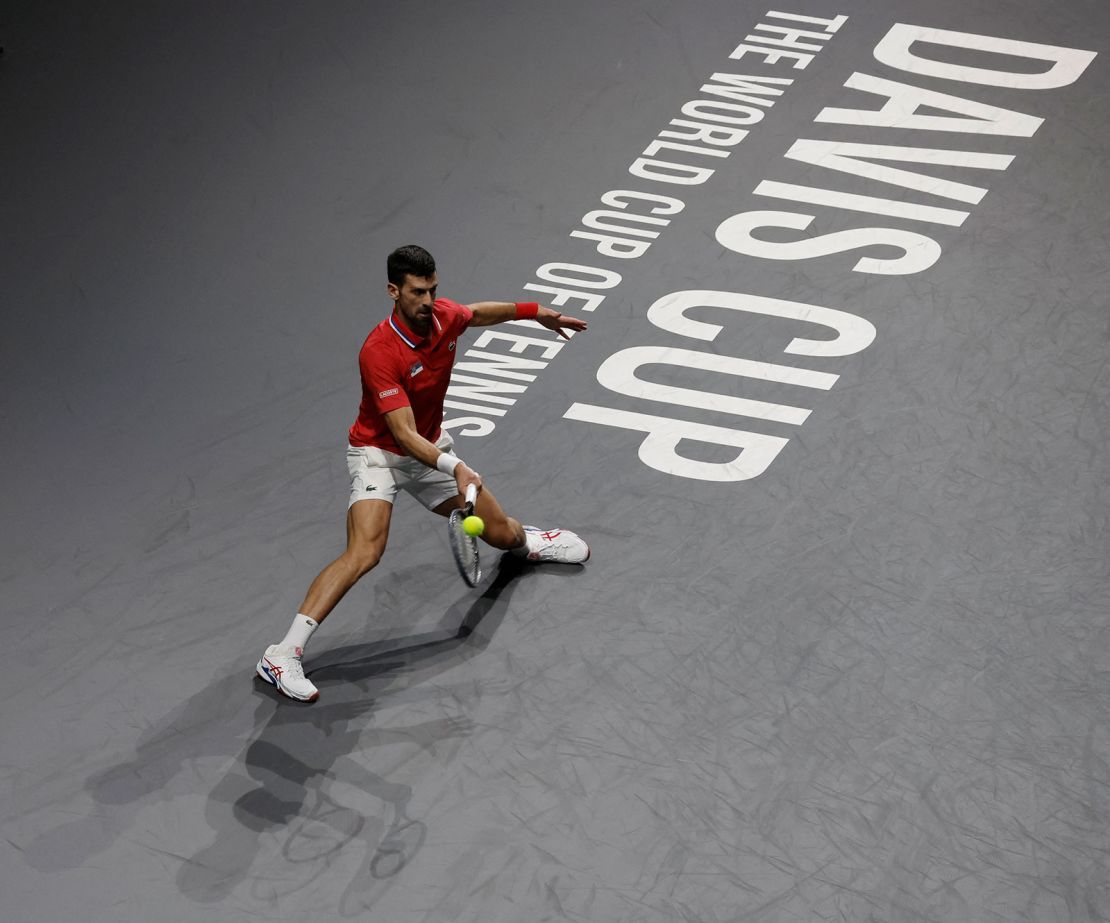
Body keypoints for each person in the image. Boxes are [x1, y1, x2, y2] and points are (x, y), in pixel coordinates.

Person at [256, 245, 591, 702]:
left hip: (430, 449)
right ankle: (282, 654)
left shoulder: (442, 317)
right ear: (394, 291)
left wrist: (537, 313)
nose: (428, 301)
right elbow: (403, 433)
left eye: (433, 289)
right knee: (365, 551)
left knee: (503, 533)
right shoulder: (379, 352)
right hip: (381, 455)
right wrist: (456, 467)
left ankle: (529, 544)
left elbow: (476, 313)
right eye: (417, 292)